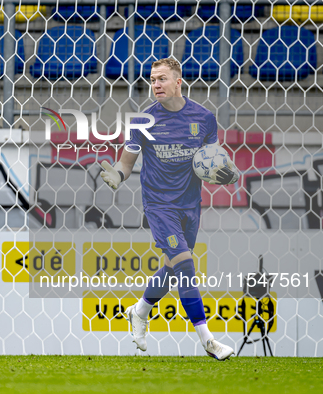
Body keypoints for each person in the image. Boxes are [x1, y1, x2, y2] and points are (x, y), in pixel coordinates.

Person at [100, 58, 237, 360]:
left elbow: (211, 161)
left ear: (178, 82)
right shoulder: (142, 121)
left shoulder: (204, 118)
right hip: (159, 204)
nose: (156, 85)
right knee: (186, 265)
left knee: (173, 268)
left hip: (190, 204)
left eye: (162, 79)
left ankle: (140, 311)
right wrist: (117, 175)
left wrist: (224, 173)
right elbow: (126, 163)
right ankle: (209, 341)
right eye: (152, 79)